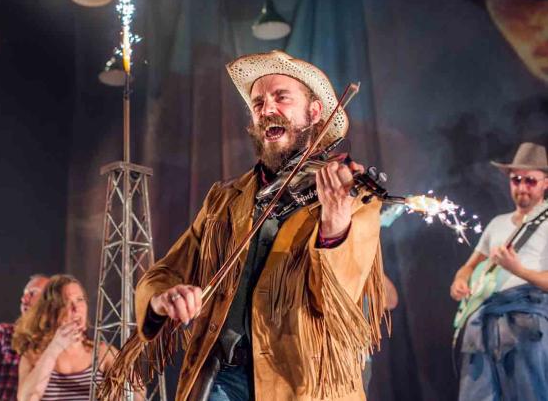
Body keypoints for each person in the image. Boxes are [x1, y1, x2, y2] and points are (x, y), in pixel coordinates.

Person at [127, 50, 386, 401]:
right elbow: (166, 271)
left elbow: (338, 303)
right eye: (258, 102)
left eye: (282, 97)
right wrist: (162, 297)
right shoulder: (225, 197)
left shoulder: (354, 198)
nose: (267, 110)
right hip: (221, 375)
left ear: (314, 113)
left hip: (302, 383)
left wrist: (334, 228)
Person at [450, 142, 548, 400]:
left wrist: (519, 269)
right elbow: (469, 267)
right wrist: (460, 281)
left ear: (545, 184)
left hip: (527, 320)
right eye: (516, 180)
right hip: (483, 322)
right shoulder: (497, 223)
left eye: (530, 181)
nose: (522, 187)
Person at [12, 274, 120, 401]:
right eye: (66, 302)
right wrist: (55, 348)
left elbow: (137, 393)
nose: (76, 308)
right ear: (52, 311)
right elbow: (26, 398)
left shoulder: (102, 352)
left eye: (80, 299)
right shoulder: (33, 356)